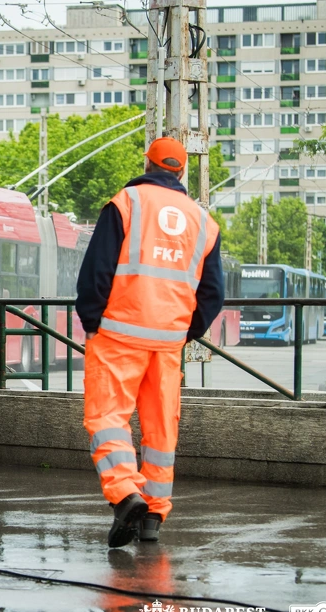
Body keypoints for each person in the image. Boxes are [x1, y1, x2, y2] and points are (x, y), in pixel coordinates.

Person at [76, 137, 223, 548]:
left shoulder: (126, 203)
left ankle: (125, 495)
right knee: (161, 430)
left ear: (149, 163)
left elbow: (97, 269)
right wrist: (185, 330)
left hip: (118, 332)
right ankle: (154, 517)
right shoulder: (203, 221)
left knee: (107, 417)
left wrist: (91, 317)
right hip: (168, 342)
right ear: (181, 170)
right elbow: (213, 293)